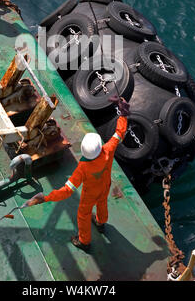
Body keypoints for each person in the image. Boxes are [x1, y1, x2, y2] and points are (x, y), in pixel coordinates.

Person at [26, 97, 130, 251]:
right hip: (105, 186)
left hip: (89, 195)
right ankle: (101, 223)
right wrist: (123, 114)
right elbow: (119, 133)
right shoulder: (108, 149)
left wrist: (46, 197)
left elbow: (67, 191)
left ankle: (84, 241)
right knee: (102, 203)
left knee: (83, 215)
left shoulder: (82, 168)